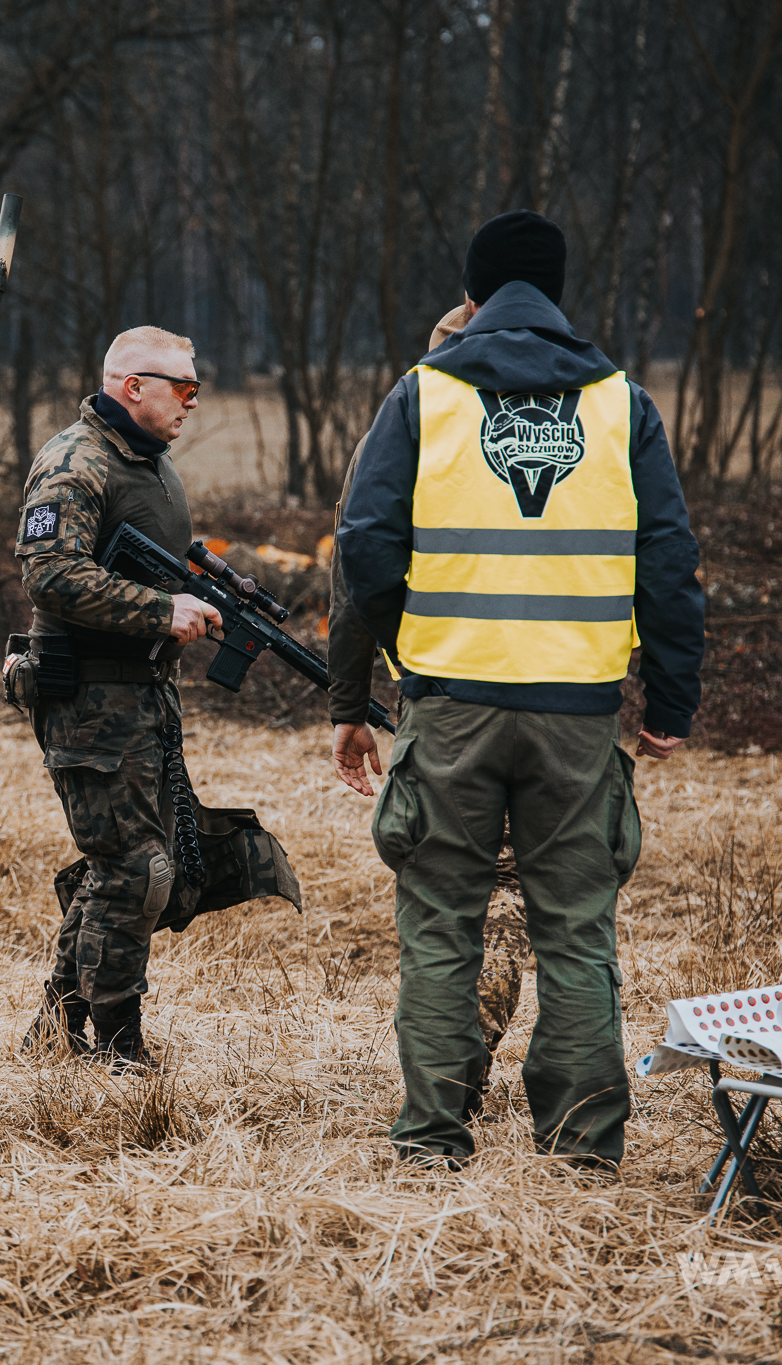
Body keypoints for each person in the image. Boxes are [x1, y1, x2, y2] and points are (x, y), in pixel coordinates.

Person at [338, 210, 704, 1170]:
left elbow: (363, 548)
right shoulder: (623, 404)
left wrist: (413, 650)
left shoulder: (422, 394)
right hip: (577, 715)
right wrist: (670, 701)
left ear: (473, 295)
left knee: (441, 929)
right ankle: (582, 1148)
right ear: (557, 292)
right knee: (578, 935)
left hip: (450, 707)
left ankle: (432, 1139)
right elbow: (669, 564)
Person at [14, 325, 299, 1068]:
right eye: (184, 387)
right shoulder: (76, 461)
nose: (194, 402)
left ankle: (58, 1023)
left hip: (142, 693)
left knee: (127, 863)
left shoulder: (150, 465)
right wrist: (160, 610)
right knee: (137, 869)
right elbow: (49, 573)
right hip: (87, 697)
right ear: (132, 385)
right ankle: (119, 1045)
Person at [326, 306, 531, 1085]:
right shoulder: (577, 424)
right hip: (563, 696)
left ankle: (445, 1073)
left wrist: (350, 705)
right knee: (517, 888)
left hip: (446, 699)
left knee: (446, 880)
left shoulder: (404, 426)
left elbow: (355, 577)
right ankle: (480, 1062)